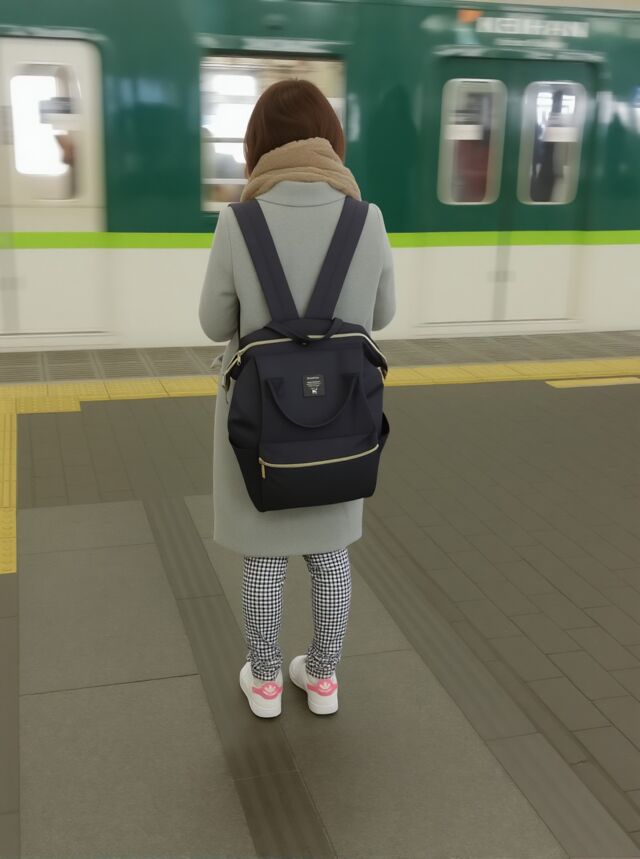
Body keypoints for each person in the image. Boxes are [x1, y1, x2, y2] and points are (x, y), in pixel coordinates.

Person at [198, 79, 396, 719]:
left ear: (257, 145)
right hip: (343, 418)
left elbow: (212, 322)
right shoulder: (367, 219)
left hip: (260, 422)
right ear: (330, 141)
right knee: (329, 555)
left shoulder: (238, 221)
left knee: (264, 556)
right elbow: (382, 315)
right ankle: (324, 676)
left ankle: (263, 683)